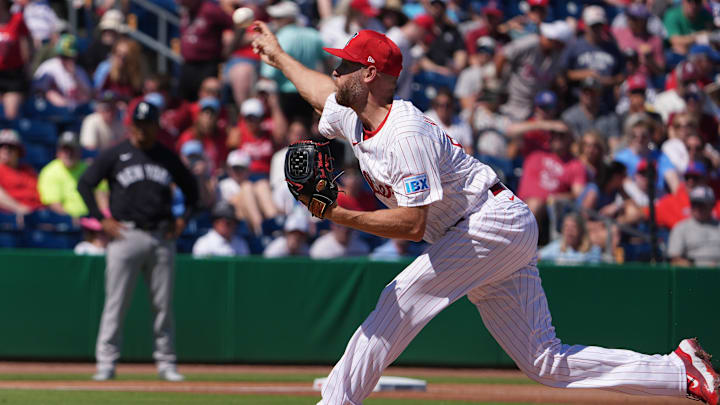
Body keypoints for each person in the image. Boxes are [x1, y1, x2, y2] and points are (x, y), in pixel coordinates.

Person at [251, 22, 720, 405]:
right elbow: (319, 95)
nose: (336, 71)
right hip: (481, 232)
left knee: (401, 298)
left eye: (345, 64)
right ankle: (679, 371)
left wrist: (335, 214)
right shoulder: (354, 115)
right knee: (544, 362)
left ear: (369, 74)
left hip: (490, 223)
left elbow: (413, 225)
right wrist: (278, 57)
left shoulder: (404, 134)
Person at [77, 101, 199, 382]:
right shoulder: (116, 154)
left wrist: (183, 219)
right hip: (125, 235)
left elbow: (193, 192)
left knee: (163, 306)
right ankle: (106, 362)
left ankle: (166, 362)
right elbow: (85, 184)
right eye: (138, 124)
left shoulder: (167, 157)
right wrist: (100, 218)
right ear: (131, 125)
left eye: (148, 125)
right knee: (115, 303)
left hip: (160, 235)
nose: (142, 130)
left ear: (156, 126)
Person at [495, 20, 572, 121]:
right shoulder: (531, 42)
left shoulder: (556, 56)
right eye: (548, 38)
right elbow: (502, 55)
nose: (546, 39)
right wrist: (500, 82)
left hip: (536, 109)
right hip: (513, 104)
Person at [38, 132, 106, 218]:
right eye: (65, 150)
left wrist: (102, 218)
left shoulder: (88, 169)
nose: (68, 154)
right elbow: (54, 204)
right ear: (58, 152)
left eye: (72, 150)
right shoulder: (49, 172)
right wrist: (71, 220)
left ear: (79, 151)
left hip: (94, 219)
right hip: (67, 222)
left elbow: (101, 195)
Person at [32, 33, 93, 108]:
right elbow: (37, 92)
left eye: (69, 57)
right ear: (58, 54)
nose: (66, 60)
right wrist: (50, 94)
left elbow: (87, 97)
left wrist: (74, 77)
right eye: (63, 56)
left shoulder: (79, 71)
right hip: (50, 111)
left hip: (75, 112)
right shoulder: (48, 67)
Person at [668, 185, 720, 267]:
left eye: (702, 204)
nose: (697, 208)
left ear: (712, 206)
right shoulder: (681, 228)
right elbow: (675, 259)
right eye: (694, 204)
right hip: (693, 273)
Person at [0, 0, 31, 120]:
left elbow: (26, 46)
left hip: (13, 76)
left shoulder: (17, 20)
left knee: (10, 115)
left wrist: (27, 69)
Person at [0, 129, 41, 215]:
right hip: (10, 217)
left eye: (11, 147)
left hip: (38, 213)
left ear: (19, 150)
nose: (6, 150)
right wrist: (19, 208)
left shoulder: (28, 170)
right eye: (2, 146)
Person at [538, 213, 603, 265]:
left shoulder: (593, 250)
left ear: (581, 230)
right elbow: (537, 257)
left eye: (573, 227)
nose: (569, 231)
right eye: (566, 227)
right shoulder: (556, 247)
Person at [424, 88, 473, 154]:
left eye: (447, 105)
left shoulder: (462, 123)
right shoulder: (427, 119)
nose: (444, 108)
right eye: (440, 105)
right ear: (435, 105)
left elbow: (468, 150)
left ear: (453, 105)